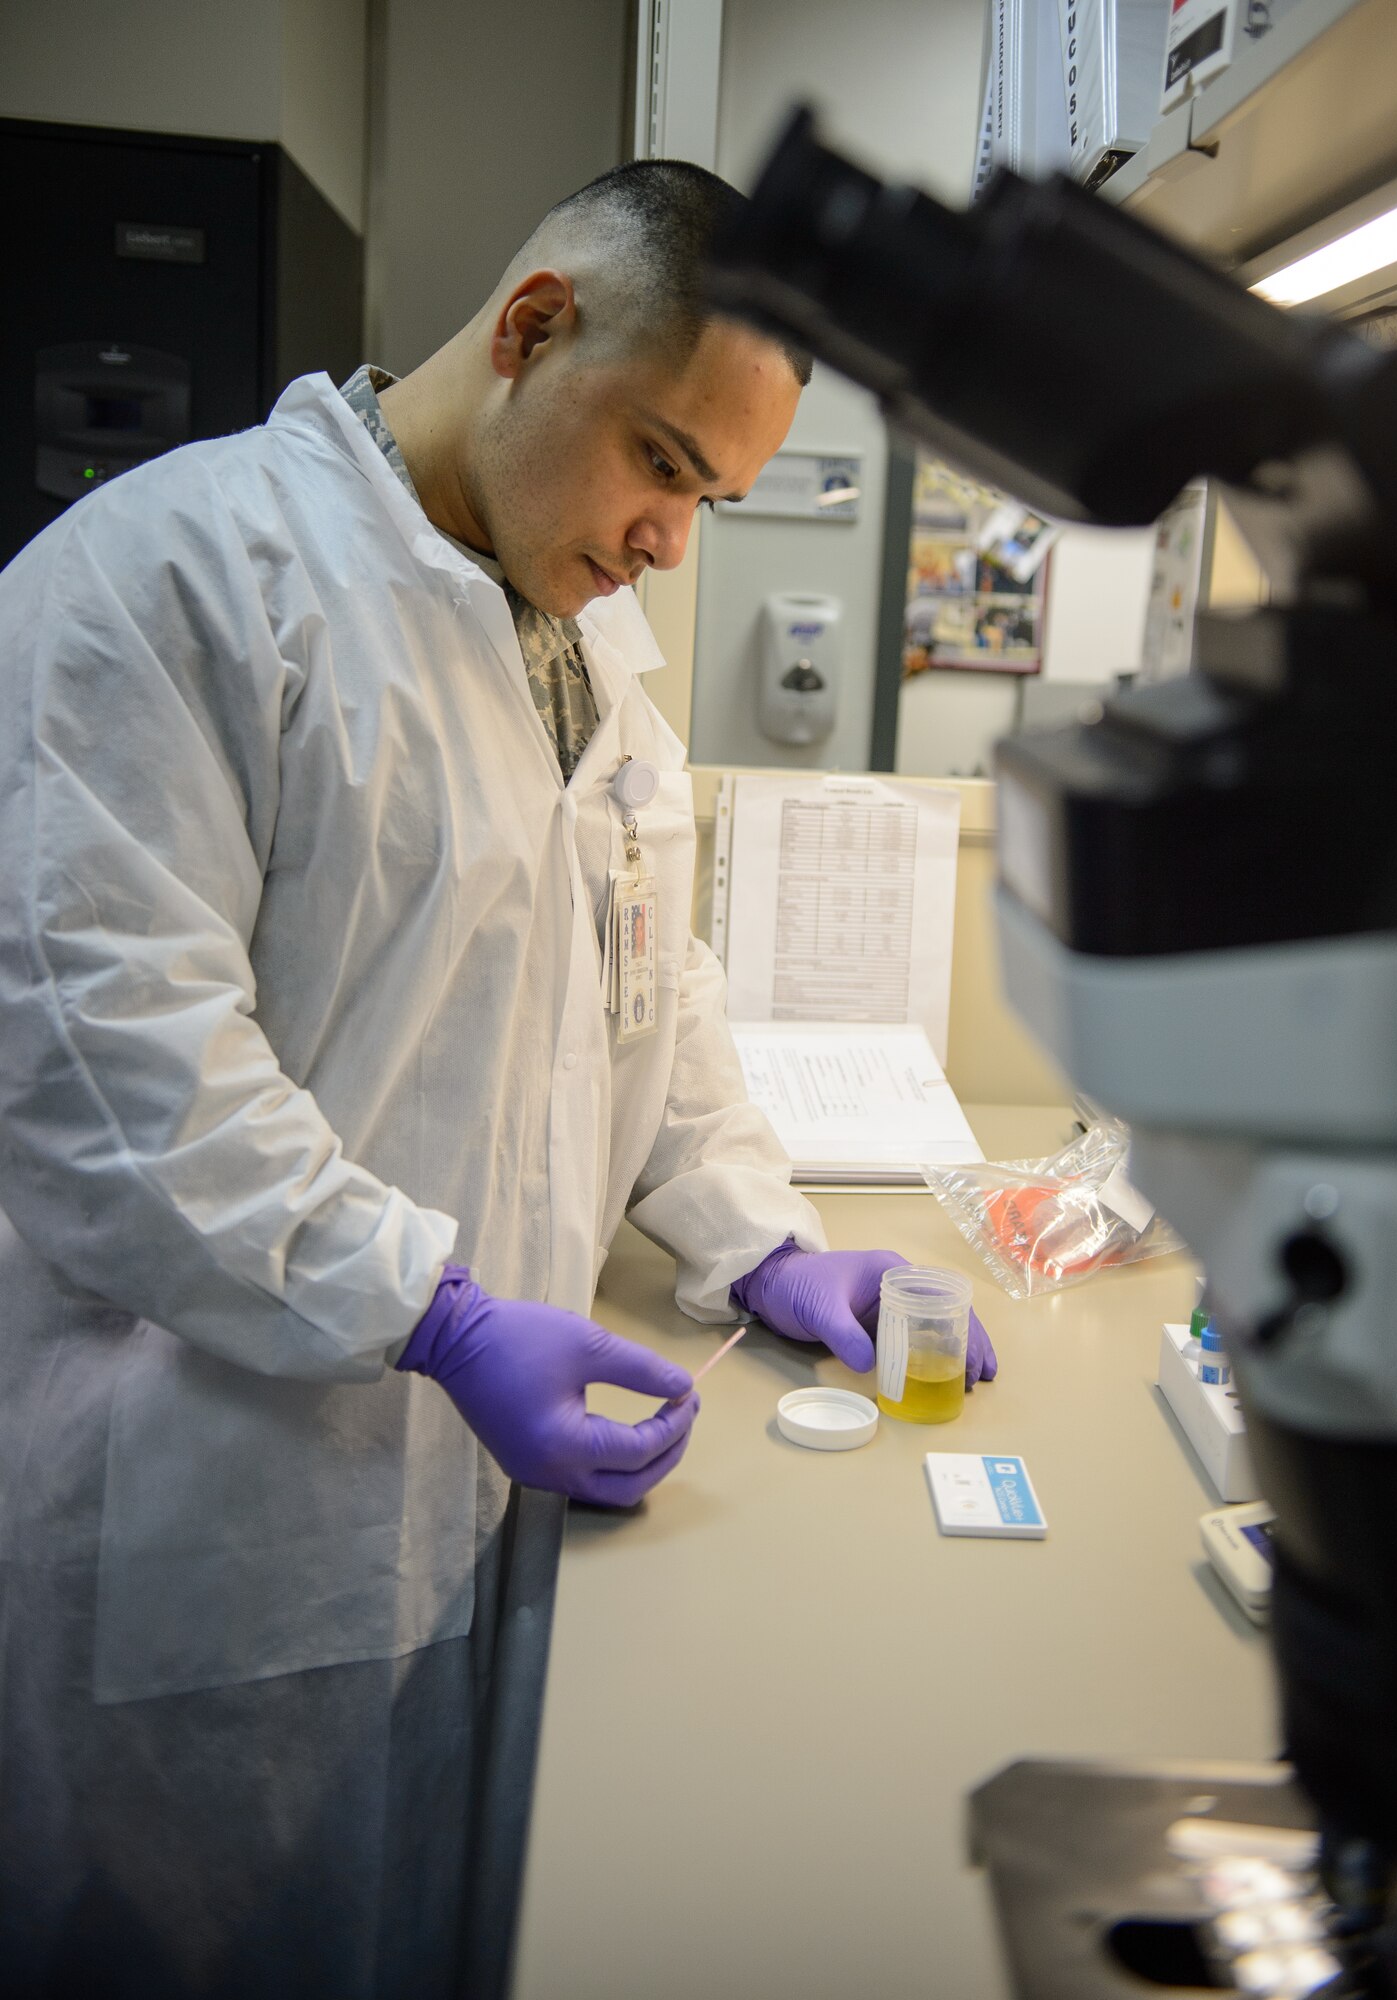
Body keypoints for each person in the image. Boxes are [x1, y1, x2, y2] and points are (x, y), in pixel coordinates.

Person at [0, 159, 995, 1996]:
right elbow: (113, 1075)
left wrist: (758, 1238)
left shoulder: (592, 645)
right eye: (666, 468)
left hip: (483, 1506)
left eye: (718, 499)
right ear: (536, 326)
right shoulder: (162, 586)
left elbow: (643, 983)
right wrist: (437, 1317)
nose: (671, 546)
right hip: (229, 1505)